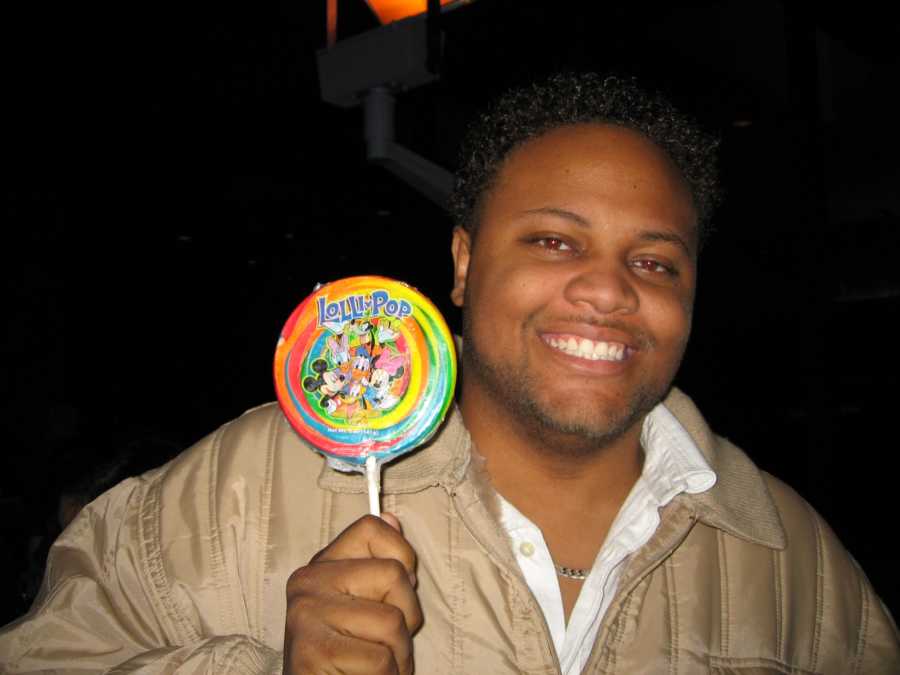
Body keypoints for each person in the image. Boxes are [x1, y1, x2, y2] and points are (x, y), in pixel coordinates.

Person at [1, 73, 897, 674]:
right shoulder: (241, 487)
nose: (607, 290)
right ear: (464, 264)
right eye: (554, 240)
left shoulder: (796, 561)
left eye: (656, 262)